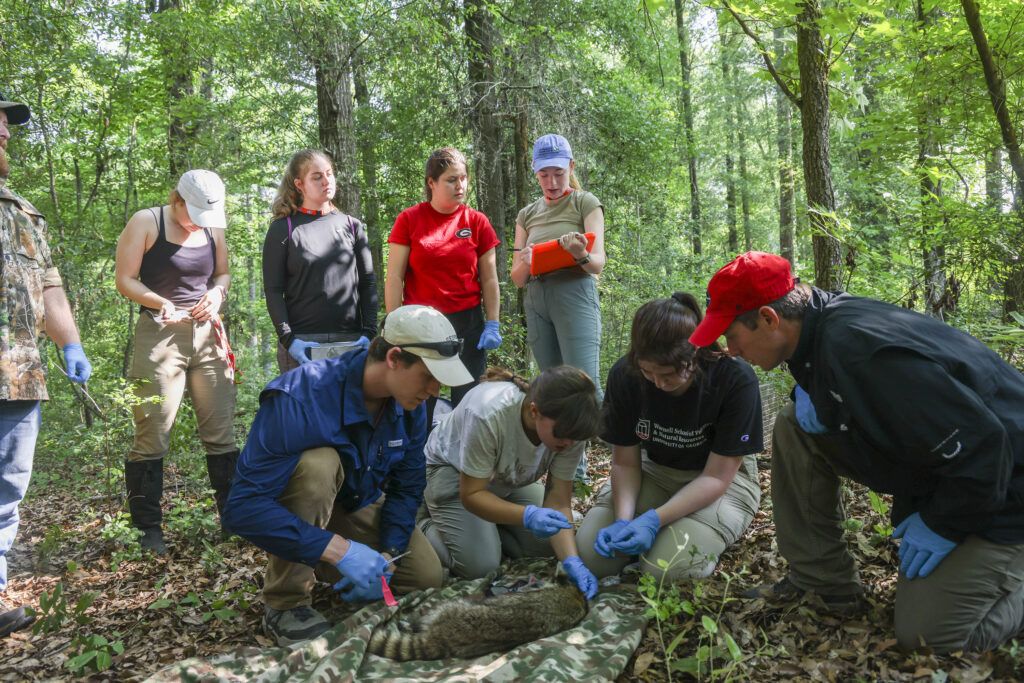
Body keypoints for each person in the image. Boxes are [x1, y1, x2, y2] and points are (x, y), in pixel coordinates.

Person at [690, 251, 1024, 654]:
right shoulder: (813, 325)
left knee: (929, 637)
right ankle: (822, 581)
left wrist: (943, 524)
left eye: (732, 335)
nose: (731, 350)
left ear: (768, 318)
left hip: (1005, 485)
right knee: (796, 423)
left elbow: (986, 445)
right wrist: (813, 395)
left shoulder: (863, 353)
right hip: (961, 470)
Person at [223, 305, 473, 646]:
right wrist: (339, 551)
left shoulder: (410, 403)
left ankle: (336, 566)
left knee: (424, 577)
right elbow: (243, 509)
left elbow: (407, 485)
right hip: (305, 503)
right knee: (319, 465)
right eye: (428, 376)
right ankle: (286, 602)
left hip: (356, 502)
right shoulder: (301, 395)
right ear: (395, 358)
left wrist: (388, 554)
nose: (434, 390)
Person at [576, 294, 762, 583]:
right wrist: (624, 520)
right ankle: (649, 531)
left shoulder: (734, 379)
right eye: (648, 372)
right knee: (593, 556)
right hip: (656, 471)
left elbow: (717, 477)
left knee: (667, 569)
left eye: (667, 374)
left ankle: (672, 532)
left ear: (694, 356)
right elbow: (625, 464)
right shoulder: (625, 376)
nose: (658, 384)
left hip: (721, 481)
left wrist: (653, 520)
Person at [0, 93, 92, 636]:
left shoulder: (22, 210)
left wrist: (69, 343)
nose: (6, 132)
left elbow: (49, 284)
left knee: (6, 494)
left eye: (7, 125)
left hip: (18, 376)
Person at [114, 169, 239, 554]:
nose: (198, 223)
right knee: (152, 433)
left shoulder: (213, 227)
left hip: (208, 334)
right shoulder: (146, 222)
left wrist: (217, 295)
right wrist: (160, 301)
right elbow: (125, 279)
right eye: (192, 214)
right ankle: (148, 531)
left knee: (221, 432)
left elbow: (222, 274)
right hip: (160, 333)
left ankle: (234, 522)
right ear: (177, 200)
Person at [419, 366, 602, 598]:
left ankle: (486, 532)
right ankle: (424, 526)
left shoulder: (571, 430)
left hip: (505, 481)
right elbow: (472, 494)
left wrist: (572, 561)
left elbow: (558, 501)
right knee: (480, 566)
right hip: (453, 474)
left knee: (549, 543)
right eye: (561, 436)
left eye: (573, 439)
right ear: (534, 411)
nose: (568, 443)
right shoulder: (488, 413)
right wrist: (527, 516)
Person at [510, 133, 606, 481]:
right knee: (551, 388)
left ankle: (581, 474)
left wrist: (578, 253)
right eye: (543, 175)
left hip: (574, 292)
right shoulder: (527, 214)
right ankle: (564, 473)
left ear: (571, 168)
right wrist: (529, 258)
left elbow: (597, 263)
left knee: (584, 384)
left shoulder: (584, 203)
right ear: (534, 173)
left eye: (558, 174)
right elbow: (517, 278)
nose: (551, 182)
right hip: (537, 297)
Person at [385, 147, 500, 415]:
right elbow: (394, 277)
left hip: (468, 323)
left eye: (463, 178)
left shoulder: (476, 222)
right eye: (451, 179)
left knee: (469, 405)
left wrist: (492, 323)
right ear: (431, 182)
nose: (460, 186)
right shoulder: (409, 220)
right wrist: (393, 326)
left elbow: (490, 278)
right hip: (421, 326)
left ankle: (464, 457)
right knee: (420, 404)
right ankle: (418, 456)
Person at [263, 149, 378, 373]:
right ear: (299, 184)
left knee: (347, 408)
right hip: (303, 344)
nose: (327, 181)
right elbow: (273, 290)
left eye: (329, 174)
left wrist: (368, 334)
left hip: (350, 342)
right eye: (316, 177)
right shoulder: (283, 228)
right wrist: (289, 340)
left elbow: (367, 283)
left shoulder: (352, 226)